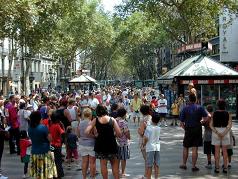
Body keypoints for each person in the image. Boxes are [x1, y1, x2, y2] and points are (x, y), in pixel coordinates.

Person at [86, 104, 121, 179]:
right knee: (114, 165)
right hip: (112, 144)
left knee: (103, 164)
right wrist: (114, 134)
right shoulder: (112, 119)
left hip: (100, 145)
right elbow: (119, 133)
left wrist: (95, 136)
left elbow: (86, 131)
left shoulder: (95, 120)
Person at [179, 93, 208, 172]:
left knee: (186, 147)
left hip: (188, 129)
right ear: (196, 100)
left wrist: (185, 129)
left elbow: (181, 123)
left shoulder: (185, 109)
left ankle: (184, 164)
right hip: (197, 128)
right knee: (195, 148)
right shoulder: (200, 107)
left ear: (189, 100)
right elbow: (207, 117)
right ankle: (194, 166)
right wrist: (201, 122)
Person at [28, 111, 57, 179]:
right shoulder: (43, 127)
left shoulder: (29, 128)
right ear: (39, 118)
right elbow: (50, 139)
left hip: (34, 152)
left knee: (38, 174)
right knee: (48, 173)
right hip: (44, 152)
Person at [210, 99, 232, 173]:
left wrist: (217, 132)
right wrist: (224, 132)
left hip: (216, 132)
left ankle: (217, 168)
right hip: (225, 132)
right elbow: (229, 125)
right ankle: (225, 168)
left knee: (216, 151)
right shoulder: (228, 113)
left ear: (217, 105)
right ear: (225, 105)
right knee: (225, 151)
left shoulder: (214, 113)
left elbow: (211, 125)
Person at [78, 108, 96, 179]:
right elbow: (95, 133)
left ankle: (84, 177)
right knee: (92, 162)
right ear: (90, 115)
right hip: (91, 144)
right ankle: (92, 177)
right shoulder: (91, 123)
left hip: (82, 144)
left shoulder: (80, 123)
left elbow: (78, 134)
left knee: (84, 162)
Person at [142, 113, 161, 179]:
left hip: (150, 148)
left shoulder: (148, 128)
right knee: (156, 164)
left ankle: (148, 177)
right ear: (159, 120)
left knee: (149, 165)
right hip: (157, 147)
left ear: (152, 119)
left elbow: (146, 138)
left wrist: (143, 144)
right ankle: (156, 177)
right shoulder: (158, 128)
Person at [49, 111, 65, 178]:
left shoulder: (51, 125)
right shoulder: (57, 126)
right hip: (57, 145)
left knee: (53, 160)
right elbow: (63, 133)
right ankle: (59, 174)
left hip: (51, 145)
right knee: (58, 160)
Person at [138, 105, 152, 178]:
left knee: (146, 160)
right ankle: (148, 175)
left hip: (144, 141)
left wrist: (138, 131)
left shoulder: (143, 120)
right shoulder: (151, 117)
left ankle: (146, 175)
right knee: (149, 159)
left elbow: (141, 132)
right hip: (152, 140)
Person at [116, 108, 130, 177]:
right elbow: (126, 132)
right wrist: (129, 137)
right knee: (123, 158)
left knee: (117, 158)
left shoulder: (114, 120)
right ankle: (123, 172)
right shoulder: (123, 122)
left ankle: (117, 171)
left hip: (115, 142)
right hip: (123, 142)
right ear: (124, 114)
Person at [203, 105, 214, 169]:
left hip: (207, 135)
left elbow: (203, 123)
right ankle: (216, 163)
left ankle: (209, 163)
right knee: (215, 150)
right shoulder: (214, 116)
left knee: (208, 151)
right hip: (215, 136)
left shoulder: (206, 117)